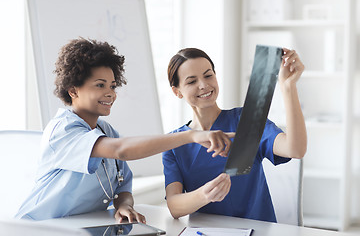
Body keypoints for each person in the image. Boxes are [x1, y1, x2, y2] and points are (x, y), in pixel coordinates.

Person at [15, 39, 234, 222]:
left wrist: (123, 205)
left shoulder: (106, 130)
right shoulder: (63, 130)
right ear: (73, 90)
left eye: (112, 85)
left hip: (83, 227)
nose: (110, 93)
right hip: (40, 228)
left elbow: (122, 186)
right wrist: (191, 136)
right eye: (100, 85)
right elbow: (121, 150)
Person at [163, 47, 307, 222]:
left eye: (208, 75)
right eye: (192, 81)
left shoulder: (245, 121)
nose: (203, 85)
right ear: (177, 91)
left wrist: (288, 86)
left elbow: (295, 149)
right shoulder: (175, 143)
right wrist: (205, 195)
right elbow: (174, 206)